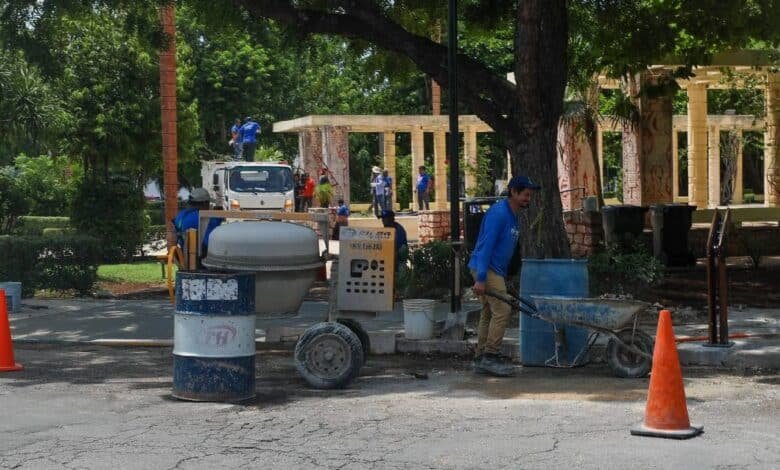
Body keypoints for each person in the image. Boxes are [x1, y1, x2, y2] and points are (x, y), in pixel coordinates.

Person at [468, 175, 540, 377]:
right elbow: (486, 246)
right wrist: (481, 278)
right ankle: (490, 356)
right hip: (485, 267)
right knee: (503, 309)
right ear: (514, 192)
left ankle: (481, 356)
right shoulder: (499, 214)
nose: (528, 198)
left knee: (489, 312)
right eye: (525, 194)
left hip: (493, 270)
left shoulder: (512, 214)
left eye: (529, 195)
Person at [172, 188, 223, 262]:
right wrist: (218, 217)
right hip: (198, 259)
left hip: (185, 254)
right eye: (208, 203)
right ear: (204, 203)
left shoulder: (181, 215)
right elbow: (210, 241)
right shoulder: (201, 217)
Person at [381, 210, 408, 275]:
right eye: (382, 219)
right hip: (389, 255)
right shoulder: (386, 228)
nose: (382, 220)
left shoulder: (398, 230)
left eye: (384, 218)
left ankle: (401, 275)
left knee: (402, 250)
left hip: (399, 257)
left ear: (391, 219)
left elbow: (397, 247)